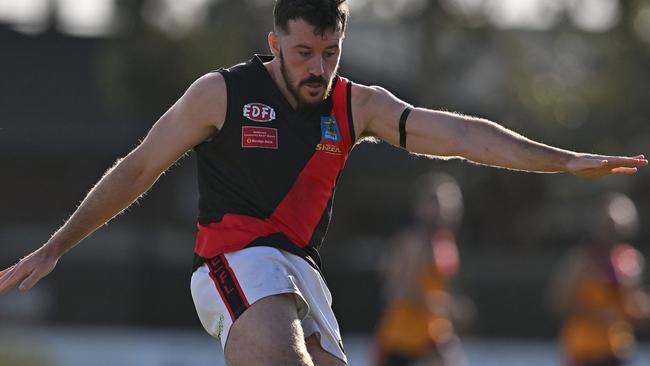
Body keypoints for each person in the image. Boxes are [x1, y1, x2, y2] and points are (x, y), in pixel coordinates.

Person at [0, 1, 646, 365]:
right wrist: (57, 245)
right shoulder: (220, 94)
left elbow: (459, 137)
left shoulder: (355, 105)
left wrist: (562, 161)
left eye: (330, 54)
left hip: (302, 273)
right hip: (234, 261)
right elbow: (138, 167)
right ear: (274, 41)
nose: (318, 68)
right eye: (304, 53)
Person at [375, 172, 470, 366]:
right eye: (435, 201)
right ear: (420, 205)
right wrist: (444, 305)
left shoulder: (445, 242)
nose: (443, 207)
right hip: (401, 340)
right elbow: (398, 291)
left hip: (433, 335)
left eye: (449, 201)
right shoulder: (410, 243)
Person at [548, 193, 650, 366]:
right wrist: (597, 315)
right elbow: (558, 302)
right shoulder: (581, 259)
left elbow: (635, 309)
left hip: (617, 353)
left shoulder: (630, 260)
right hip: (584, 353)